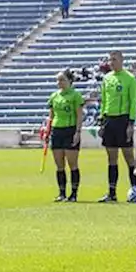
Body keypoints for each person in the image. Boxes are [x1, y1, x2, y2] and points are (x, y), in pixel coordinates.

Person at [98, 50, 136, 203]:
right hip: (109, 120)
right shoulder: (107, 78)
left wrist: (131, 123)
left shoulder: (129, 79)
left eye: (114, 59)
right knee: (111, 158)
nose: (112, 62)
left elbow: (133, 102)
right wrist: (101, 120)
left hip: (123, 120)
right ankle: (112, 193)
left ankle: (135, 190)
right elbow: (104, 100)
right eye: (110, 59)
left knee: (129, 157)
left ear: (122, 60)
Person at [47, 70, 85, 202]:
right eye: (58, 80)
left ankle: (74, 194)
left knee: (72, 163)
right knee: (59, 165)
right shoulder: (54, 96)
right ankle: (61, 193)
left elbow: (79, 115)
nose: (59, 83)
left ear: (70, 81)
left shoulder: (76, 96)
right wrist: (47, 130)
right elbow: (51, 116)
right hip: (57, 130)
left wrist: (78, 132)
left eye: (62, 80)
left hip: (70, 130)